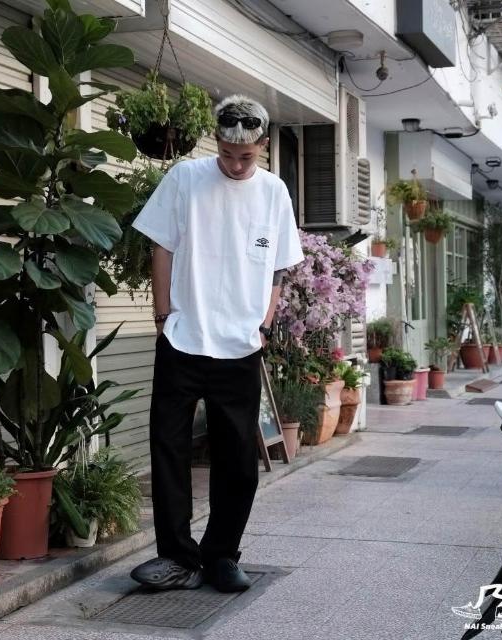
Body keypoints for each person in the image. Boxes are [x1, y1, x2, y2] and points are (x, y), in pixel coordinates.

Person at [129, 95, 304, 593]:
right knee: (168, 448)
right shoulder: (185, 178)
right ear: (216, 142)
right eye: (227, 153)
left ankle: (222, 554)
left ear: (262, 146)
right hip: (183, 338)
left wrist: (264, 326)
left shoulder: (273, 192)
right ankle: (176, 559)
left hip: (241, 346)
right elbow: (162, 247)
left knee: (238, 460)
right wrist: (162, 317)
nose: (235, 164)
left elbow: (278, 268)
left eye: (245, 156)